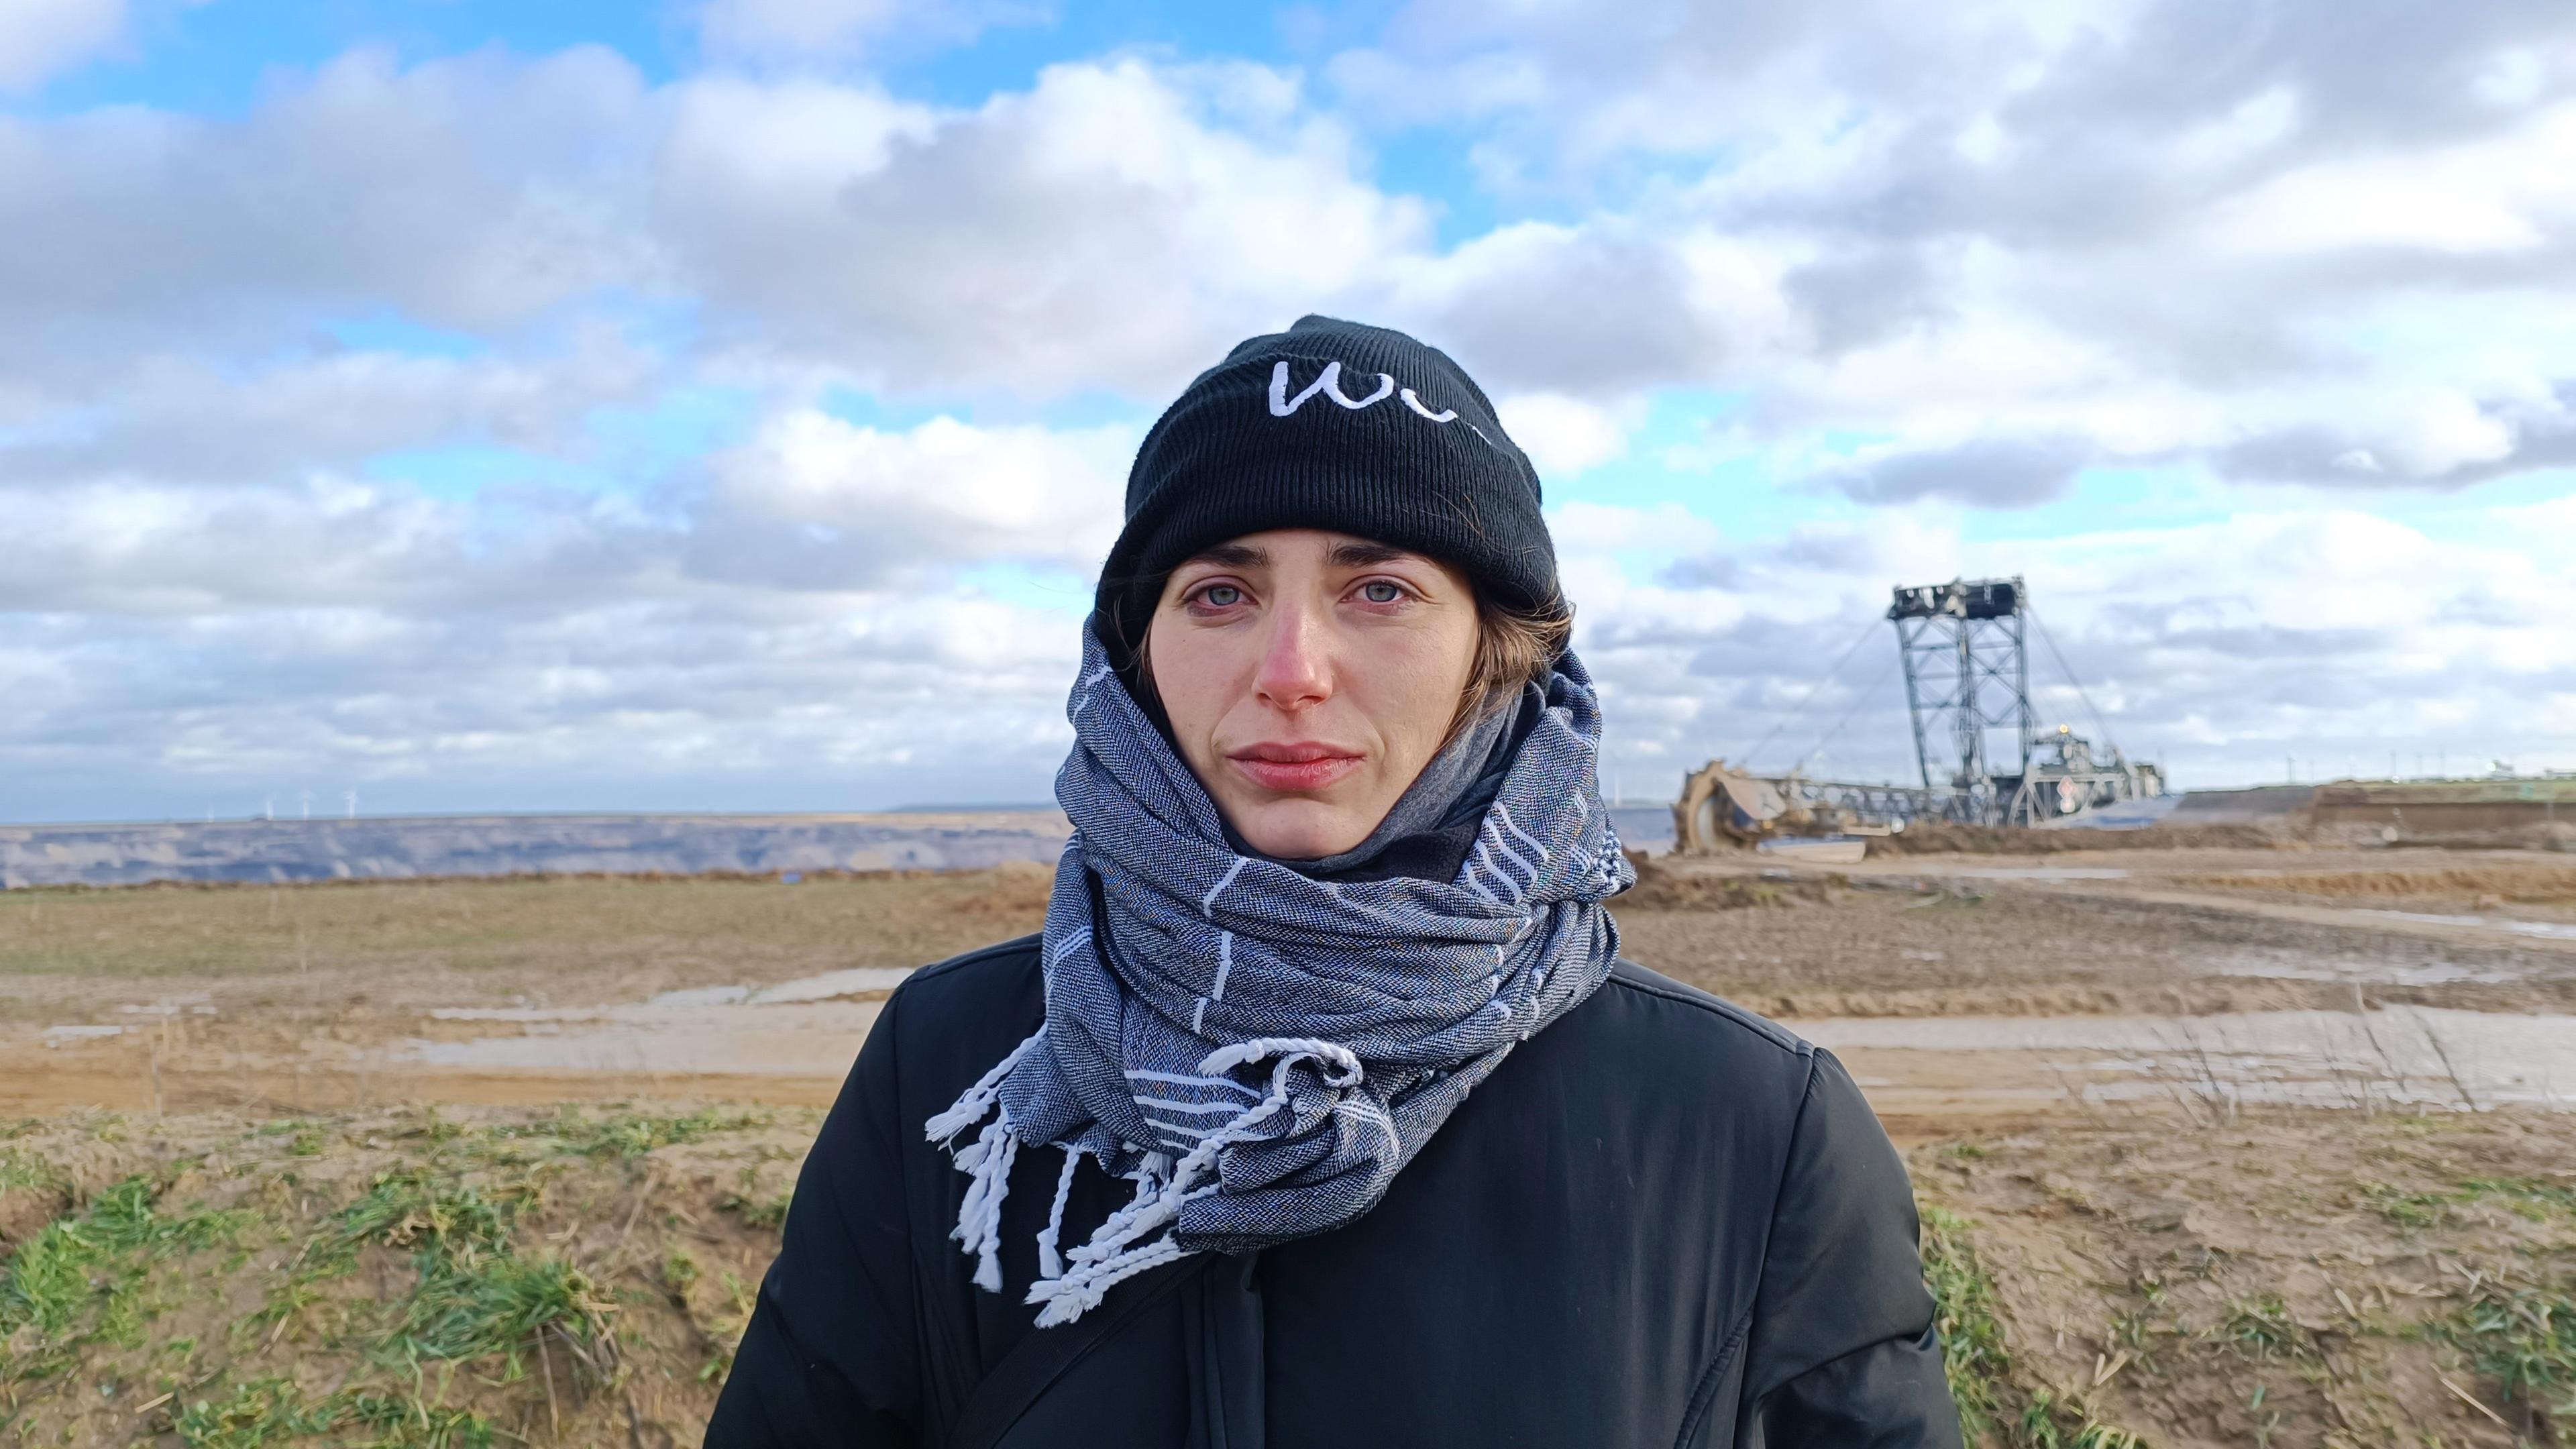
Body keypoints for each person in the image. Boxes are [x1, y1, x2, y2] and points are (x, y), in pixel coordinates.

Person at [706, 317, 1959, 1448]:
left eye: (1379, 590)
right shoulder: (954, 1065)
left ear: (1499, 651)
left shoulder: (1749, 1121)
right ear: (1137, 659)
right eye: (1219, 593)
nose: (1291, 667)